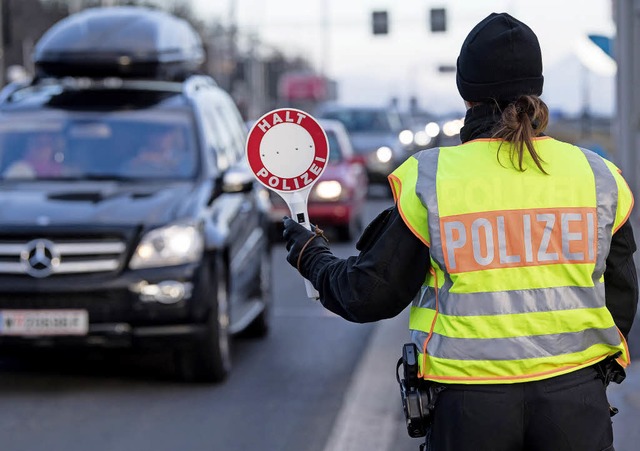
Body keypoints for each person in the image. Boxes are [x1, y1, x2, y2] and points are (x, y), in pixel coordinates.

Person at [282, 12, 638, 451]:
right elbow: (621, 297)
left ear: (466, 93)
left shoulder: (433, 179)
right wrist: (591, 377)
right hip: (575, 407)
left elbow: (368, 293)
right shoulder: (598, 176)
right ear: (537, 88)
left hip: (471, 413)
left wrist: (309, 256)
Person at [123, 125, 192, 176]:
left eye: (166, 131)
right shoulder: (133, 161)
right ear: (148, 136)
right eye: (157, 131)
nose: (163, 137)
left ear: (173, 135)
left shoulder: (186, 160)